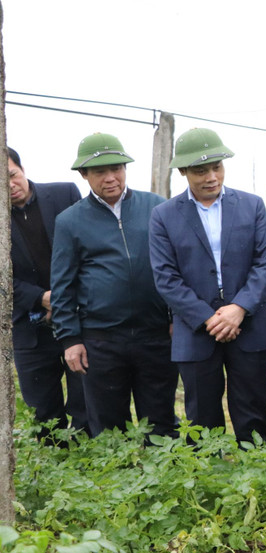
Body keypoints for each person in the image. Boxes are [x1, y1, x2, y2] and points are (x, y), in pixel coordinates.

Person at [149, 128, 266, 445]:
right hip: (196, 328)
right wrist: (209, 318)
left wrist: (238, 309)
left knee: (253, 407)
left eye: (216, 167)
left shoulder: (251, 205)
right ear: (182, 171)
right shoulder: (163, 216)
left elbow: (265, 262)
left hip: (247, 322)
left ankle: (260, 473)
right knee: (202, 414)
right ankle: (208, 481)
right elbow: (166, 277)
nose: (211, 177)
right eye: (200, 170)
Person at [51, 133, 178, 438]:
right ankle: (116, 482)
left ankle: (165, 481)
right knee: (108, 427)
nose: (111, 178)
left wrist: (177, 316)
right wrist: (70, 339)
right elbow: (62, 285)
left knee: (160, 420)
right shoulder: (70, 221)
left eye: (117, 169)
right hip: (102, 340)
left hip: (155, 334)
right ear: (84, 175)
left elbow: (177, 266)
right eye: (100, 172)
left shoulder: (156, 208)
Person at [9, 147, 88, 442]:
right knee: (43, 412)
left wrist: (66, 299)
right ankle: (52, 471)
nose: (10, 185)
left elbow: (88, 249)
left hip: (79, 319)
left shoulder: (65, 194)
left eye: (12, 175)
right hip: (29, 326)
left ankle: (91, 468)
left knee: (87, 402)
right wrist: (43, 297)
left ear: (22, 168)